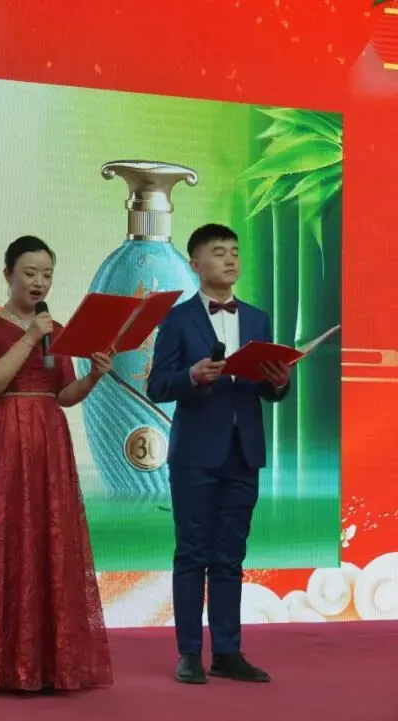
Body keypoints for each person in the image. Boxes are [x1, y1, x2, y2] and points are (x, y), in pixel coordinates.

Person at [0, 235, 114, 694]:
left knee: (50, 535)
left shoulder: (58, 329)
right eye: (30, 273)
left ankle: (52, 664)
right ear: (8, 275)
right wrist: (31, 336)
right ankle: (0, 665)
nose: (39, 282)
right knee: (6, 532)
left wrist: (95, 376)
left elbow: (65, 393)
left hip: (49, 437)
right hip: (7, 435)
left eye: (47, 274)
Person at [146, 224, 291, 685]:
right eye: (218, 252)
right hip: (195, 455)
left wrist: (280, 383)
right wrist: (191, 376)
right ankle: (189, 652)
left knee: (230, 556)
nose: (230, 259)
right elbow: (157, 385)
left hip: (243, 452)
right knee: (192, 554)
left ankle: (227, 651)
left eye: (234, 251)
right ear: (195, 264)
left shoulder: (258, 319)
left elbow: (268, 387)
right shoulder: (177, 320)